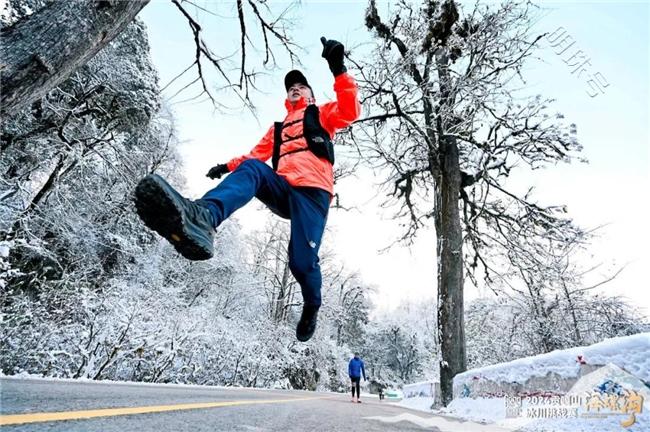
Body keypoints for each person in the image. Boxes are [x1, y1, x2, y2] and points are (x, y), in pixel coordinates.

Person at [133, 36, 361, 343]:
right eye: (291, 87)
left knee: (301, 262)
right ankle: (203, 217)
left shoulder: (320, 114)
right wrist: (226, 167)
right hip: (282, 189)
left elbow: (350, 110)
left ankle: (312, 305)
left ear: (310, 93)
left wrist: (338, 67)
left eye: (301, 86)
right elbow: (254, 156)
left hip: (313, 193)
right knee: (253, 169)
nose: (295, 88)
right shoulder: (277, 129)